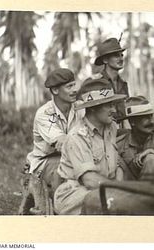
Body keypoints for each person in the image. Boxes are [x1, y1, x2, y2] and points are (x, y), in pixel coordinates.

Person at [54, 78, 127, 215]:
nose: (114, 109)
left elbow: (116, 165)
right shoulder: (77, 136)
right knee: (108, 202)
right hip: (74, 193)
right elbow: (89, 179)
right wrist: (118, 189)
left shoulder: (111, 127)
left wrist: (120, 186)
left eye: (113, 104)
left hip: (104, 188)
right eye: (108, 105)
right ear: (93, 108)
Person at [19, 68, 84, 215]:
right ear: (55, 90)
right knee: (63, 168)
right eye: (69, 87)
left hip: (72, 156)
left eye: (74, 85)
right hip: (45, 162)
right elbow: (62, 142)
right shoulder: (44, 113)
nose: (74, 90)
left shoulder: (80, 107)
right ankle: (59, 210)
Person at [117, 96, 154, 180]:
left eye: (151, 116)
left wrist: (152, 151)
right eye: (145, 117)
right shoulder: (121, 143)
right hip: (129, 187)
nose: (151, 121)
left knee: (153, 159)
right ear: (132, 122)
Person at [93, 37, 129, 122]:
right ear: (105, 60)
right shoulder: (97, 83)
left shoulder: (123, 84)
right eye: (116, 55)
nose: (121, 59)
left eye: (121, 55)